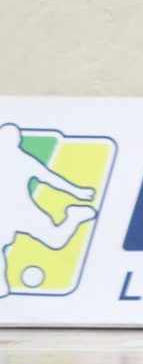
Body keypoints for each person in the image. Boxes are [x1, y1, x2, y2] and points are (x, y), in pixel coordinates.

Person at [0, 123, 97, 297]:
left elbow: (49, 178)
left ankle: (74, 216)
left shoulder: (23, 160)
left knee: (55, 240)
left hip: (22, 209)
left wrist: (77, 192)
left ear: (16, 141)